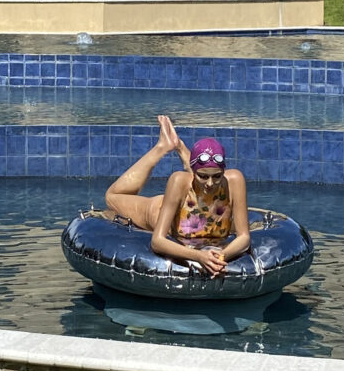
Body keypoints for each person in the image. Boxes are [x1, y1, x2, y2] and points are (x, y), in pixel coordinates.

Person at [105, 115, 250, 277]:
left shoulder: (235, 180)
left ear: (224, 171)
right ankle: (163, 146)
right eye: (203, 176)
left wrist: (221, 257)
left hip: (196, 207)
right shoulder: (178, 180)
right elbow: (157, 242)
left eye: (217, 176)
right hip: (159, 210)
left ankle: (180, 146)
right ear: (193, 173)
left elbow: (244, 237)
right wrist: (199, 257)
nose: (210, 183)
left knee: (205, 185)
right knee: (112, 196)